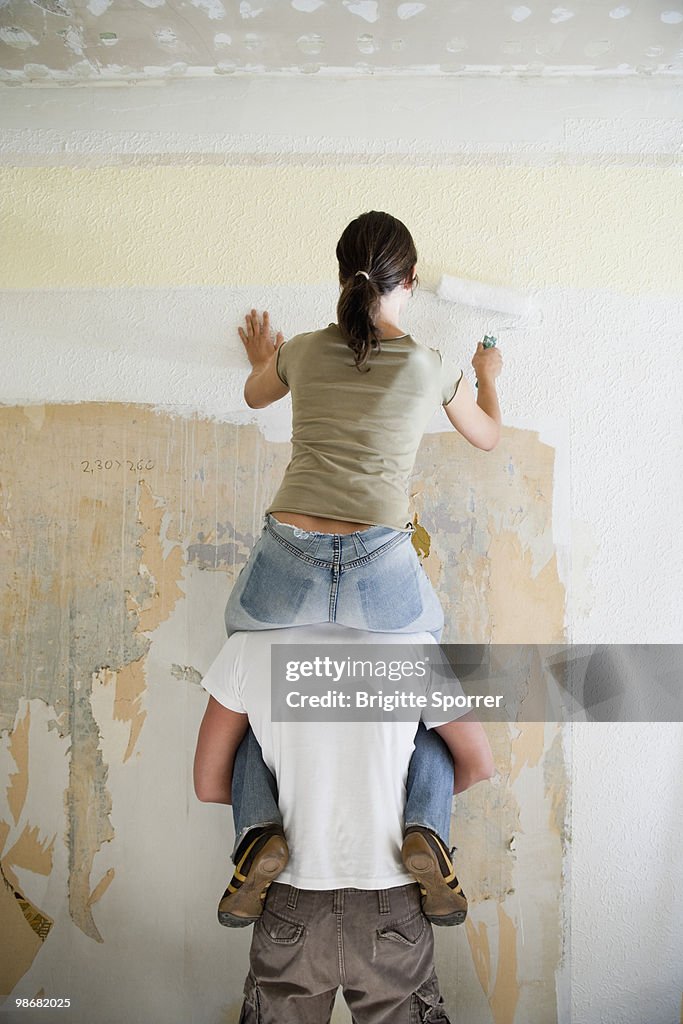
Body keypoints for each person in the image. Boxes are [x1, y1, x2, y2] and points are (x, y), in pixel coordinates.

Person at [219, 210, 503, 927]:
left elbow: (254, 394)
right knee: (430, 698)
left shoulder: (305, 353)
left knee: (246, 678)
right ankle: (425, 828)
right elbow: (487, 437)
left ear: (341, 275)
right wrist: (487, 375)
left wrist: (263, 355)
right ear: (406, 283)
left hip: (289, 550)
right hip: (381, 559)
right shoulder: (430, 367)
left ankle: (257, 831)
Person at [194, 623, 495, 1024]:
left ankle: (259, 833)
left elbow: (208, 783)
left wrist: (286, 784)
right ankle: (424, 829)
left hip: (291, 897)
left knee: (249, 731)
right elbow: (479, 765)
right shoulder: (414, 646)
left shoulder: (246, 647)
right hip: (391, 897)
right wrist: (407, 794)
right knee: (435, 731)